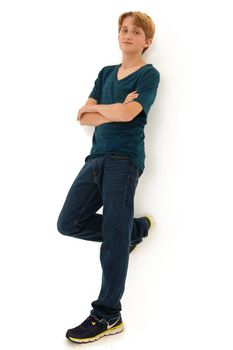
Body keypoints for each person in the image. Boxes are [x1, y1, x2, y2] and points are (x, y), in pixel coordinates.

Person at [57, 11, 160, 344]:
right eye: (123, 30)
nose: (127, 35)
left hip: (123, 160)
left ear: (147, 41)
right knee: (68, 222)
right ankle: (133, 230)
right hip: (95, 159)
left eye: (135, 31)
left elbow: (130, 113)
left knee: (113, 242)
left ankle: (108, 315)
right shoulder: (105, 74)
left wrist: (103, 111)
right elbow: (82, 116)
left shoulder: (148, 75)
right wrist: (108, 110)